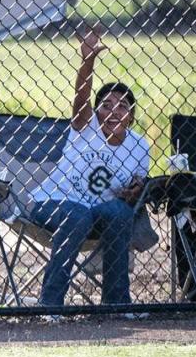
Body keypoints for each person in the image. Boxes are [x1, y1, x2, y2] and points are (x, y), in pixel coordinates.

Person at [30, 28, 150, 313]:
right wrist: (88, 61)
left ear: (131, 117)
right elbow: (82, 97)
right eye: (106, 106)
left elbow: (138, 186)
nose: (113, 112)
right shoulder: (85, 128)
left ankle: (117, 303)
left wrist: (135, 192)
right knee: (78, 214)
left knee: (120, 212)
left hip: (96, 213)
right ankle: (50, 303)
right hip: (52, 203)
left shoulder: (139, 146)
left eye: (122, 107)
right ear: (95, 112)